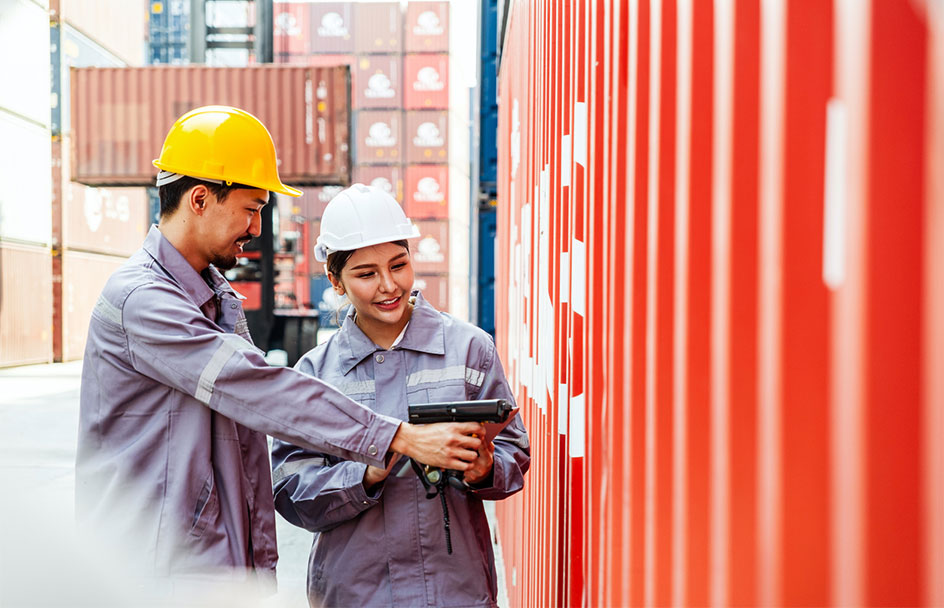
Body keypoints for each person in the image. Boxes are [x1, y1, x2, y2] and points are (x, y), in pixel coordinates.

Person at [74, 106, 484, 588]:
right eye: (252, 208)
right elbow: (258, 388)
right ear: (201, 199)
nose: (257, 228)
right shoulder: (142, 301)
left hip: (205, 566)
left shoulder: (212, 297)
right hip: (150, 573)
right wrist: (397, 438)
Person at [271, 184, 530, 607]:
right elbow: (291, 492)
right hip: (355, 595)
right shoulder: (316, 375)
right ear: (335, 281)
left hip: (455, 593)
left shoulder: (469, 349)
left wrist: (484, 468)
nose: (390, 285)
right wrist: (367, 474)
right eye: (366, 273)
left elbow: (514, 452)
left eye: (399, 264)